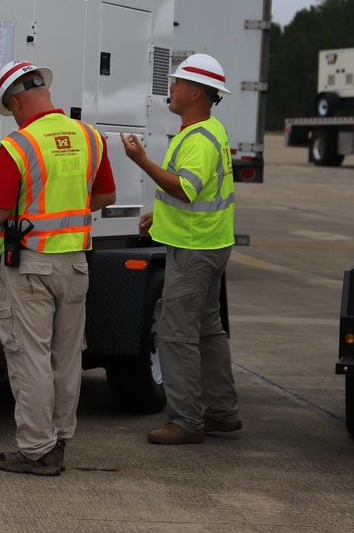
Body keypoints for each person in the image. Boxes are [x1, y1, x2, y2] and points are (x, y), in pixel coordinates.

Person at [0, 60, 116, 476]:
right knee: (65, 358)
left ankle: (36, 450)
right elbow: (105, 194)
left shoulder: (18, 145)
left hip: (30, 265)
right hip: (76, 265)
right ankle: (59, 441)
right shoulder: (90, 137)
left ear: (14, 102)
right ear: (44, 90)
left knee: (28, 356)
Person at [120, 53, 242, 445]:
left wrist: (141, 160)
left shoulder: (198, 140)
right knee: (208, 331)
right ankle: (222, 413)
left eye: (176, 83)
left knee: (175, 336)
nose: (170, 88)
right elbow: (197, 191)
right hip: (208, 244)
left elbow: (185, 189)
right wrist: (158, 215)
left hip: (194, 250)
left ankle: (186, 421)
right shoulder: (209, 131)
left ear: (194, 92)